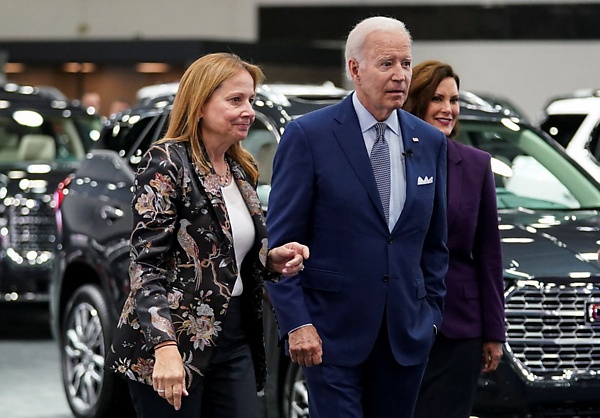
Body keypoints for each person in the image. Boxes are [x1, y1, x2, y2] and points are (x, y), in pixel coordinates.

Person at [105, 52, 309, 418]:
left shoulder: (240, 168)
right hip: (170, 339)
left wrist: (269, 260)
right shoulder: (166, 162)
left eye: (251, 100)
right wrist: (165, 346)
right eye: (235, 100)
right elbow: (145, 267)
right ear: (199, 105)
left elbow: (223, 258)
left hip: (234, 337)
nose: (248, 110)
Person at [265, 16, 449, 418]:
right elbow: (279, 247)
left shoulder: (430, 141)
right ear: (355, 69)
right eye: (387, 64)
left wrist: (430, 315)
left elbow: (434, 245)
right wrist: (296, 323)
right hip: (330, 335)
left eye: (406, 63)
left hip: (406, 335)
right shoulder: (308, 136)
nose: (400, 75)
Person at [404, 60, 506, 418]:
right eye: (437, 99)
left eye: (454, 100)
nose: (448, 109)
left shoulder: (476, 164)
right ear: (415, 102)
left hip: (460, 327)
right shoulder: (390, 159)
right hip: (398, 321)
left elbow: (489, 255)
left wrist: (495, 331)